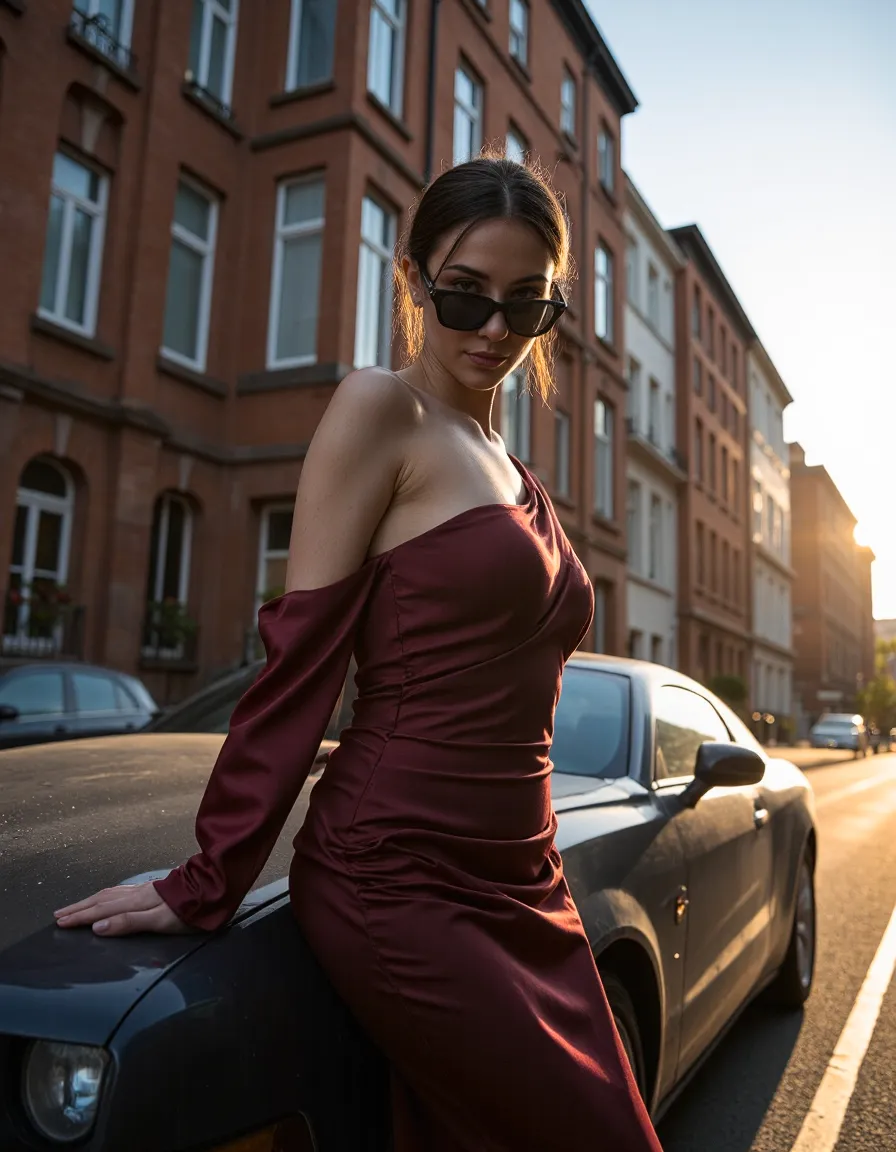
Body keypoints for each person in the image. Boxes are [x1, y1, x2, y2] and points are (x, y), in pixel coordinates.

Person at [55, 157, 663, 1151]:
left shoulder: (511, 466)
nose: (493, 331)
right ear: (414, 276)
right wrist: (208, 875)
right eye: (465, 295)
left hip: (523, 878)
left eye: (526, 305)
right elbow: (301, 663)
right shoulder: (380, 410)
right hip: (400, 877)